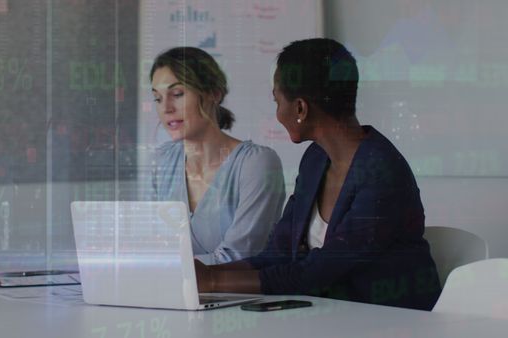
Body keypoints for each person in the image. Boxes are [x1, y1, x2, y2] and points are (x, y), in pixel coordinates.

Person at [195, 38, 442, 310]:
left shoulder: (381, 173)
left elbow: (315, 273)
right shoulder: (315, 159)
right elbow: (278, 254)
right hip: (331, 316)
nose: (277, 113)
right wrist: (206, 275)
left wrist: (214, 282)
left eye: (277, 101)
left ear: (300, 108)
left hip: (392, 322)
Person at [149, 47, 286, 265]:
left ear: (214, 93)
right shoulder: (162, 161)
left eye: (177, 94)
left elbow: (239, 258)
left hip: (242, 297)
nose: (166, 108)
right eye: (157, 98)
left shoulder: (256, 164)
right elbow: (154, 249)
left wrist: (164, 268)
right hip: (174, 296)